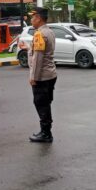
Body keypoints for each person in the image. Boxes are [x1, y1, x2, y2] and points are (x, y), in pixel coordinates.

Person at [27, 8, 57, 143]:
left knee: (41, 103)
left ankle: (46, 133)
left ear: (38, 18)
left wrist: (34, 77)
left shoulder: (40, 34)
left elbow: (38, 58)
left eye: (32, 17)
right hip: (50, 74)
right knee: (46, 103)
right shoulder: (49, 31)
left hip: (42, 76)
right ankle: (46, 130)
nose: (31, 20)